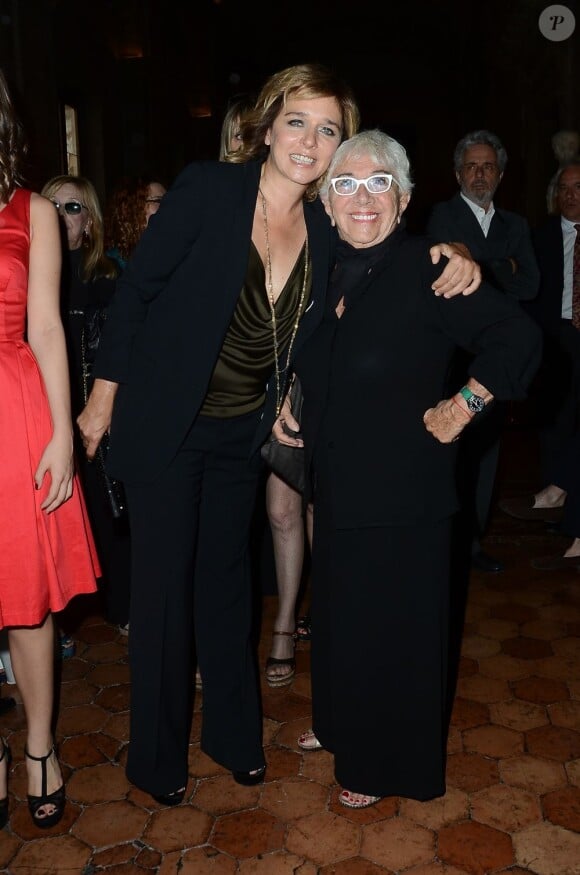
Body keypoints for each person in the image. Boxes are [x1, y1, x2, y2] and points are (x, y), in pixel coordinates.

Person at [77, 63, 481, 806]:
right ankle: (155, 758)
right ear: (268, 125)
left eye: (328, 128)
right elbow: (137, 292)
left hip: (242, 431)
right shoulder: (209, 189)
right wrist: (102, 399)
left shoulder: (329, 222)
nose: (310, 140)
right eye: (298, 121)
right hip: (168, 423)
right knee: (165, 597)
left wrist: (452, 253)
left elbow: (386, 248)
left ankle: (233, 736)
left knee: (230, 586)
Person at [276, 129, 542, 808]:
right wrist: (287, 399)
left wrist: (466, 403)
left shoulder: (430, 267)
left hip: (405, 495)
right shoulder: (320, 266)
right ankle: (338, 722)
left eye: (378, 182)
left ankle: (381, 760)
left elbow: (519, 338)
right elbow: (311, 352)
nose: (362, 197)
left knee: (390, 633)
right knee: (341, 619)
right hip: (339, 488)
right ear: (326, 201)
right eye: (346, 184)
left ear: (404, 197)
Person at [0, 68, 100, 830]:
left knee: (25, 598)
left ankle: (38, 748)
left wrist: (63, 430)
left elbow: (47, 328)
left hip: (14, 409)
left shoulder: (31, 209)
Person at [220, 92, 313, 687]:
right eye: (235, 136)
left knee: (283, 510)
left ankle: (283, 622)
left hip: (290, 379)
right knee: (226, 522)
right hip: (225, 389)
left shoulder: (312, 210)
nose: (244, 143)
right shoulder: (217, 206)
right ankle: (222, 637)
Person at [427, 130, 539, 574]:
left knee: (487, 453)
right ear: (458, 173)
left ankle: (471, 544)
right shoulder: (442, 215)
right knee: (450, 447)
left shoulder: (517, 225)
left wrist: (477, 261)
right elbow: (447, 283)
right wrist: (502, 265)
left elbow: (530, 284)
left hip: (497, 355)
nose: (479, 174)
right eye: (471, 166)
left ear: (500, 174)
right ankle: (445, 542)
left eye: (487, 166)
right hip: (454, 353)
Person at [40, 175, 130, 633]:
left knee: (107, 511)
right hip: (44, 419)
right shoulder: (34, 280)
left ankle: (123, 609)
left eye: (71, 207)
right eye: (51, 205)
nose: (59, 215)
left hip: (99, 416)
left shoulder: (110, 281)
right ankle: (56, 625)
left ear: (89, 221)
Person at [500, 161, 580, 568]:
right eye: (563, 188)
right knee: (559, 421)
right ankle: (558, 505)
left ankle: (560, 495)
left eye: (577, 187)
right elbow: (528, 292)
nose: (570, 195)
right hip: (559, 336)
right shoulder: (541, 237)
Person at [105, 176, 167, 271]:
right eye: (159, 201)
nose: (168, 207)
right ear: (133, 208)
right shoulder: (110, 266)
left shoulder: (171, 255)